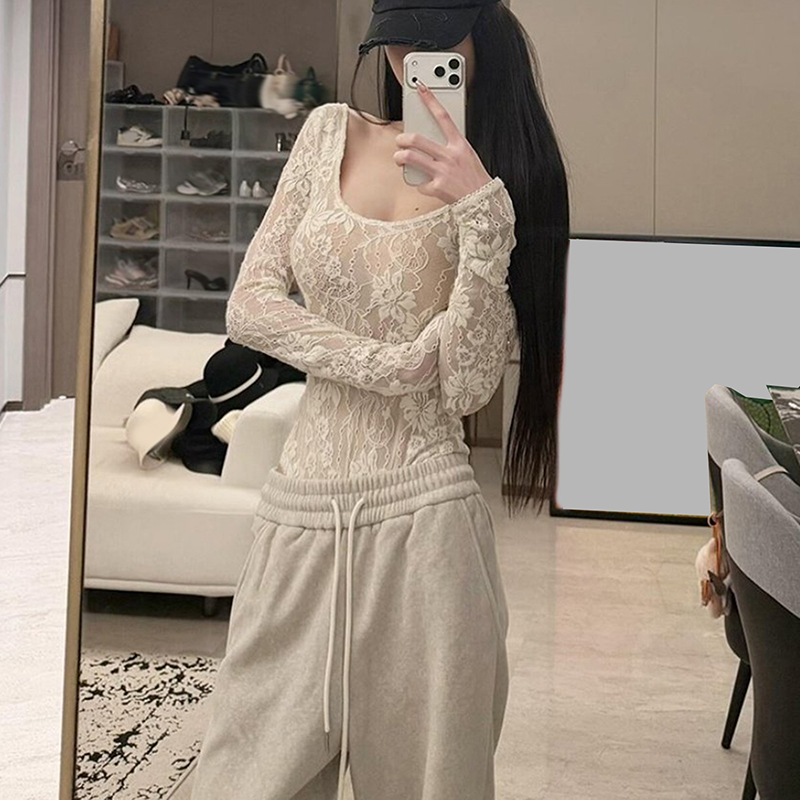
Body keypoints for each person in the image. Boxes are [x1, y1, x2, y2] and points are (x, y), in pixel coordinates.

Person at [189, 1, 569, 798]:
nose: (407, 57)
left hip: (429, 530)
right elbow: (250, 306)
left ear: (481, 33)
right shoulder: (330, 132)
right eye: (395, 39)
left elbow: (467, 385)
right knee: (241, 778)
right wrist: (386, 365)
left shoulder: (505, 183)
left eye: (431, 39)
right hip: (297, 521)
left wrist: (482, 212)